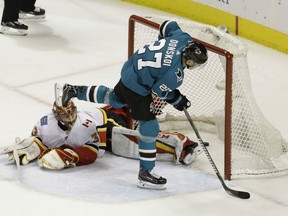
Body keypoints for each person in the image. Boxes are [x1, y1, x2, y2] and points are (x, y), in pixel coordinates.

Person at [60, 20, 208, 189]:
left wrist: (162, 43)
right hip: (137, 85)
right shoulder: (175, 75)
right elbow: (160, 92)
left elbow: (168, 25)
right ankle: (146, 173)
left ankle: (73, 91)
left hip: (130, 68)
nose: (194, 66)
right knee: (150, 127)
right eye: (194, 63)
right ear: (189, 59)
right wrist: (177, 100)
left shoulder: (182, 38)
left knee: (115, 99)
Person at [7, 101, 202, 174]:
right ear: (56, 115)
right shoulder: (45, 123)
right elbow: (44, 140)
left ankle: (183, 145)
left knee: (131, 141)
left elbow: (95, 152)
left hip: (109, 122)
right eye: (64, 114)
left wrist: (71, 156)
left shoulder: (86, 124)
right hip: (109, 115)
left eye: (71, 112)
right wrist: (35, 146)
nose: (69, 117)